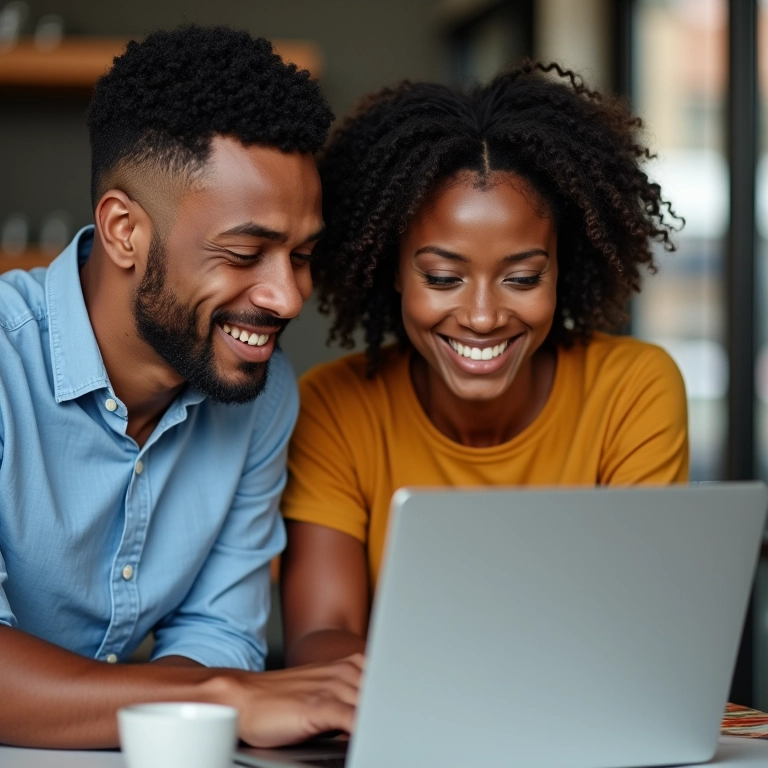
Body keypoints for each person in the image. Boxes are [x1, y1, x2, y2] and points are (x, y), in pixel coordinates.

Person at [0, 24, 362, 749]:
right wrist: (219, 698)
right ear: (124, 230)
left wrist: (201, 707)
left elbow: (219, 632)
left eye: (301, 256)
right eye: (245, 253)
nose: (288, 298)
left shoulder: (263, 394)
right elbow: (219, 682)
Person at [280, 62, 689, 667]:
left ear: (560, 268)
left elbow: (647, 629)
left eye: (522, 278)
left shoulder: (632, 391)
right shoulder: (337, 407)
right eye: (443, 277)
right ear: (394, 268)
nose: (481, 316)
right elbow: (321, 635)